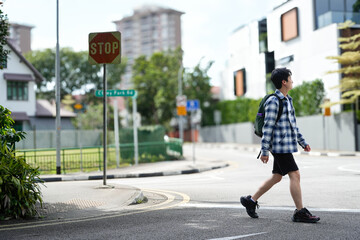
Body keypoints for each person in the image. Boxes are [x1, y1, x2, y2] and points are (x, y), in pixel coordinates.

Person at [240, 67, 320, 223]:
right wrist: (264, 150)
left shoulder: (288, 100)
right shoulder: (273, 101)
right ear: (284, 82)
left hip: (285, 145)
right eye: (290, 78)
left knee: (277, 177)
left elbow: (293, 125)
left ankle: (251, 200)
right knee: (295, 175)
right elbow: (267, 127)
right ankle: (299, 212)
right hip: (278, 146)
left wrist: (303, 142)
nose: (292, 81)